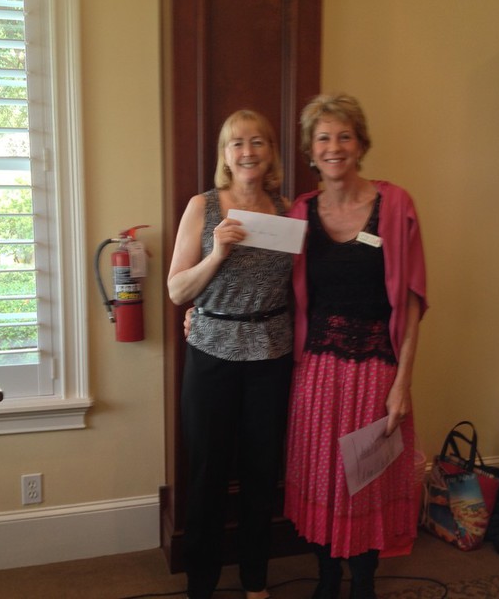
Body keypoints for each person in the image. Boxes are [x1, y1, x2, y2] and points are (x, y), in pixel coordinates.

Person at [283, 93, 427, 599]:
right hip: (316, 373)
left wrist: (402, 383)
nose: (334, 147)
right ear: (311, 150)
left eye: (344, 136)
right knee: (322, 480)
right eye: (323, 138)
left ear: (361, 145)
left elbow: (412, 300)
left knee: (366, 481)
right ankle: (327, 581)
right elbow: (264, 279)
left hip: (376, 371)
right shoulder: (299, 213)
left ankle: (363, 584)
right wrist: (200, 309)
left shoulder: (396, 205)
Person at [167, 109, 293, 599]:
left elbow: (301, 288)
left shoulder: (287, 211)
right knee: (207, 476)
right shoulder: (203, 207)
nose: (247, 152)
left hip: (270, 357)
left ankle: (255, 581)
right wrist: (217, 254)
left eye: (258, 142)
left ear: (270, 152)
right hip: (211, 356)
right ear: (225, 154)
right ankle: (201, 584)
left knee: (262, 475)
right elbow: (177, 290)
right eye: (237, 143)